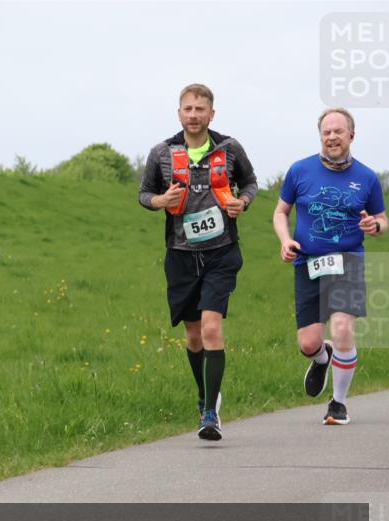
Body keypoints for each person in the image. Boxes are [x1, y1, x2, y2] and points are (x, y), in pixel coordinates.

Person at [139, 83, 258, 441]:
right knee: (192, 337)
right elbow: (143, 194)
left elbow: (250, 183)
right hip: (181, 255)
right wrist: (160, 201)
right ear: (179, 113)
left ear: (211, 114)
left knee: (210, 328)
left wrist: (244, 202)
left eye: (200, 109)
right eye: (188, 109)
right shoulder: (162, 152)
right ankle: (205, 394)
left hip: (222, 252)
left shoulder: (229, 148)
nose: (194, 115)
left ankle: (210, 415)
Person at [272, 108, 386, 425]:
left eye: (338, 131)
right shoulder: (299, 171)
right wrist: (285, 240)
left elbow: (381, 219)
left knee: (343, 328)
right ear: (320, 136)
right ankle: (322, 357)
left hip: (349, 260)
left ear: (352, 135)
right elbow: (281, 212)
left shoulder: (366, 177)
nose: (332, 137)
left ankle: (338, 403)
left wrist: (375, 227)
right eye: (326, 132)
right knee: (308, 343)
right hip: (308, 262)